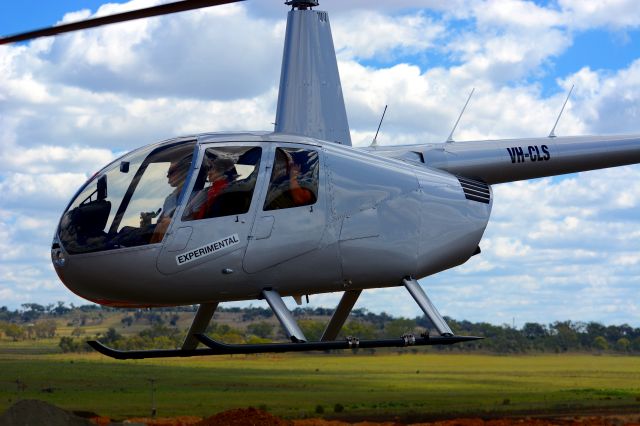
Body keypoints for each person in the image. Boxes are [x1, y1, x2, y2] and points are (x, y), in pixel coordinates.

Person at [149, 155, 191, 243]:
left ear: (184, 172)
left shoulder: (196, 196)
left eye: (171, 172)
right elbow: (158, 224)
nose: (167, 176)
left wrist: (171, 223)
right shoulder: (169, 199)